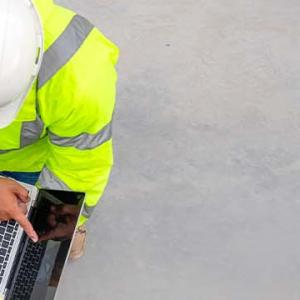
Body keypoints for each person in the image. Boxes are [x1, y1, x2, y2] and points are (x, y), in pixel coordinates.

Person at [0, 0, 119, 260]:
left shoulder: (79, 78)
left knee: (44, 250)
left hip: (31, 166)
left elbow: (77, 172)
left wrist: (45, 231)